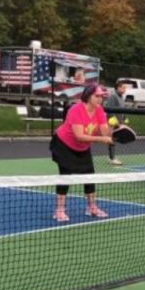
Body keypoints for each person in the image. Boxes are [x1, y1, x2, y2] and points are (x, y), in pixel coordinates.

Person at [50, 83, 111, 222]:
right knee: (65, 175)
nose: (100, 99)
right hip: (63, 144)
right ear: (88, 96)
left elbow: (104, 132)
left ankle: (91, 208)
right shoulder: (75, 110)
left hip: (82, 147)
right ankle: (59, 210)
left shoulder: (100, 110)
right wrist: (102, 139)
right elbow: (79, 136)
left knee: (90, 175)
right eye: (97, 96)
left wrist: (113, 128)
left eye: (101, 96)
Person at [104, 81, 127, 166]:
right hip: (112, 123)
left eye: (125, 88)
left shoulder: (121, 97)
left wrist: (124, 118)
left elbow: (122, 109)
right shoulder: (113, 96)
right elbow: (109, 110)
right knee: (112, 139)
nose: (125, 89)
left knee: (114, 139)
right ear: (118, 88)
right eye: (123, 87)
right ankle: (112, 158)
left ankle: (111, 157)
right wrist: (114, 122)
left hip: (118, 123)